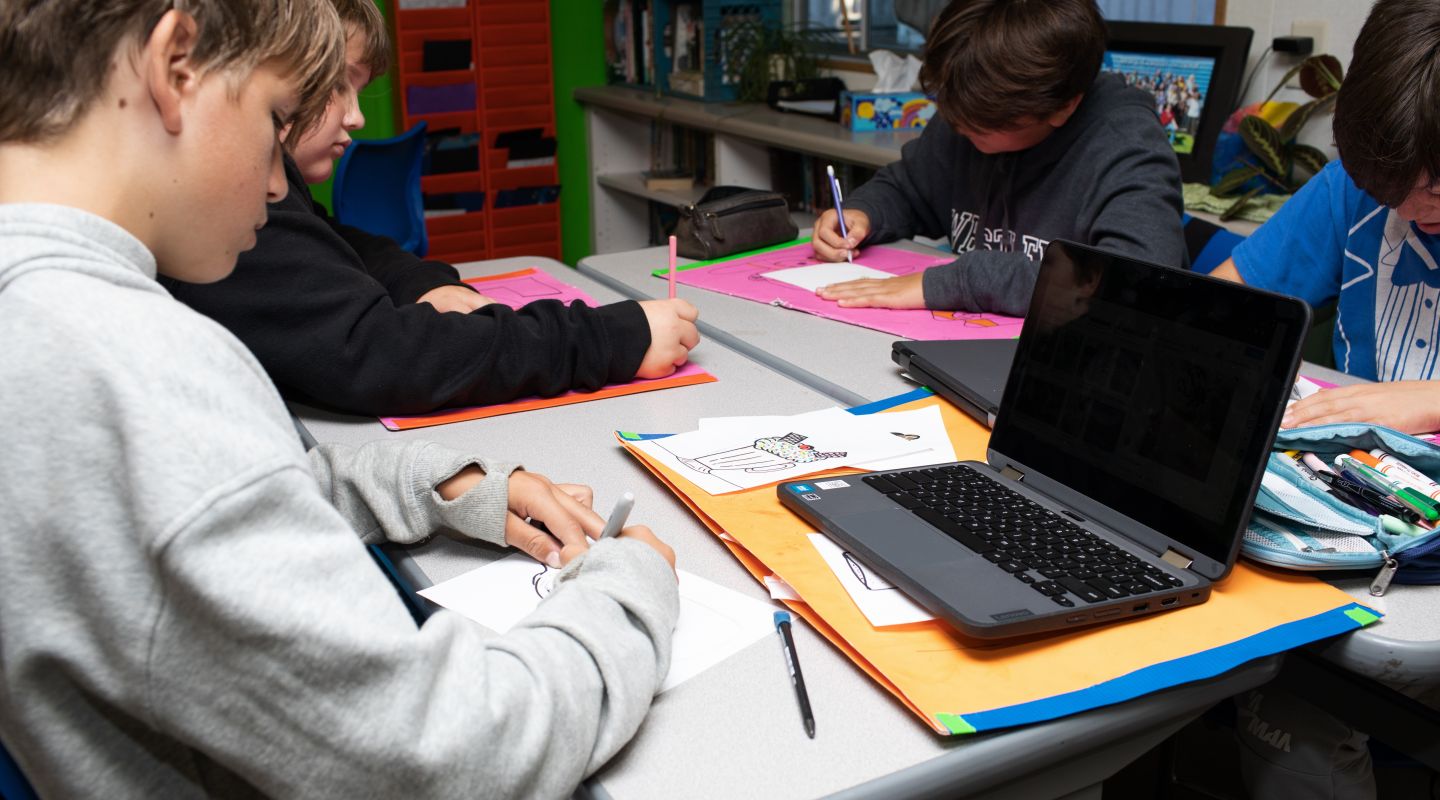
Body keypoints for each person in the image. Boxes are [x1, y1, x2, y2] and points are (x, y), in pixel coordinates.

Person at [0, 1, 679, 797]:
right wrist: (630, 589)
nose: (278, 179)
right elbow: (455, 752)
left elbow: (190, 509)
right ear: (174, 62)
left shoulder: (43, 325)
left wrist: (442, 487)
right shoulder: (138, 369)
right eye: (276, 117)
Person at [162, 0, 701, 417]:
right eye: (286, 107)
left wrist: (422, 283)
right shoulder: (225, 213)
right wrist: (608, 339)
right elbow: (384, 356)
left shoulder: (259, 196)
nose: (356, 118)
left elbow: (335, 246)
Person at [812, 0, 1186, 317]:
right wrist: (863, 214)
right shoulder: (972, 109)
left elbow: (1132, 283)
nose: (957, 127)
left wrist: (960, 281)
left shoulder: (1126, 145)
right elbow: (908, 188)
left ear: (1064, 107)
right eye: (950, 110)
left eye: (980, 124)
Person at [1210, 0, 1440, 436]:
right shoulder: (1348, 189)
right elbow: (1217, 305)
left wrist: (1432, 399)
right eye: (1383, 193)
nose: (1407, 212)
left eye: (1435, 191)